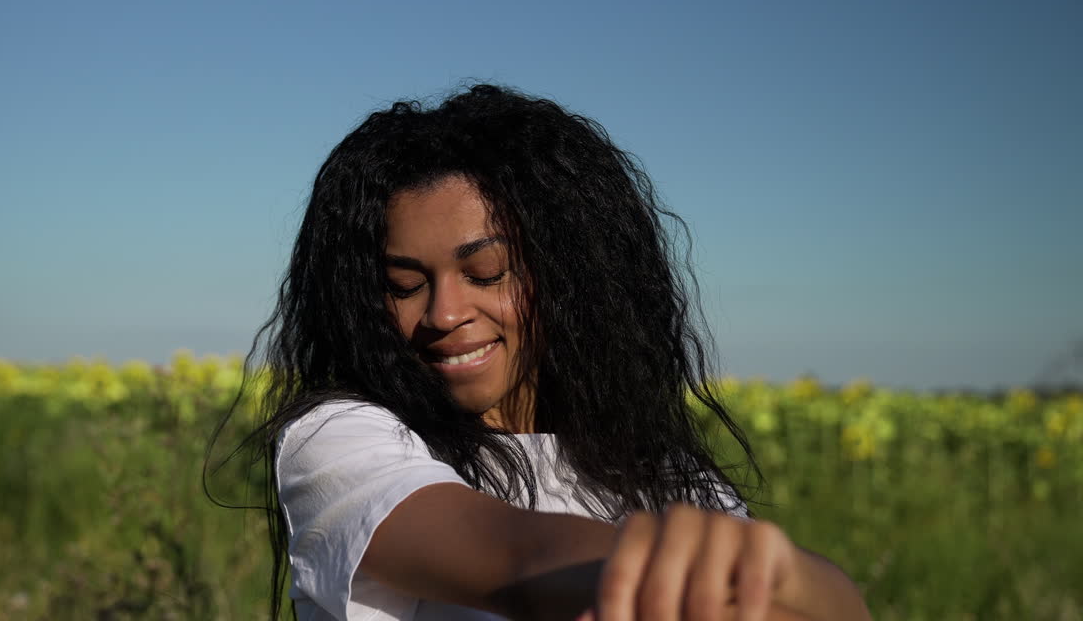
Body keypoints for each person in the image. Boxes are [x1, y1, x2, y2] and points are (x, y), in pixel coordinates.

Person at [207, 85, 872, 621]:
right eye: (403, 285)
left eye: (487, 272)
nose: (443, 314)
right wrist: (660, 576)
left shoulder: (656, 469)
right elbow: (517, 565)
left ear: (568, 273)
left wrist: (778, 571)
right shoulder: (341, 440)